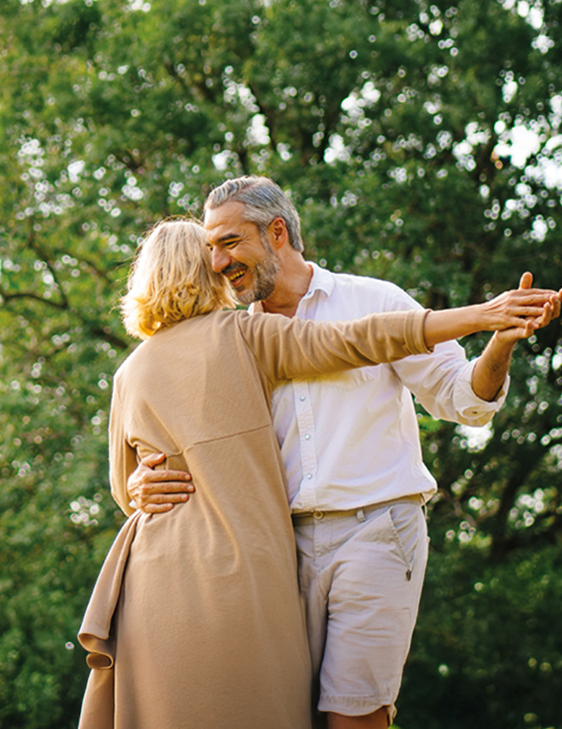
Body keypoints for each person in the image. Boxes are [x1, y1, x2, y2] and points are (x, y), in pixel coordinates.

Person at [126, 181, 562, 729]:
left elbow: (463, 401)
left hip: (377, 528)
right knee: (291, 712)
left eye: (230, 243)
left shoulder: (373, 300)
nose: (217, 262)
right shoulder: (232, 339)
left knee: (354, 714)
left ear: (276, 233)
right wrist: (137, 486)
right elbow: (188, 445)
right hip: (280, 553)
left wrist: (498, 339)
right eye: (210, 248)